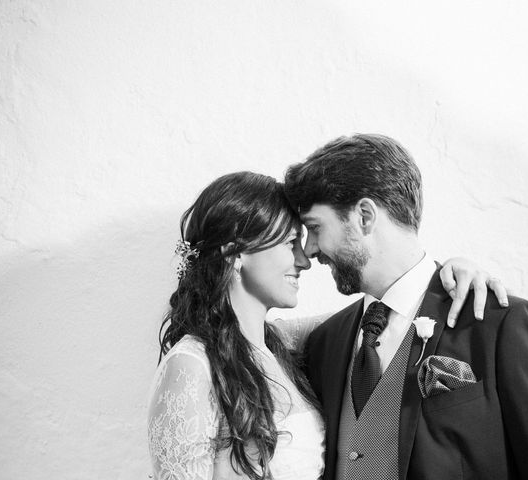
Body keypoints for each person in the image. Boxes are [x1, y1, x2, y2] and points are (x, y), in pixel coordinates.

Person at [147, 171, 507, 480]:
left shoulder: (284, 343)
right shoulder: (191, 365)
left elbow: (392, 308)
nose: (305, 260)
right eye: (291, 243)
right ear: (235, 254)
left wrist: (448, 273)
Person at [283, 134, 528, 480]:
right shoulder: (325, 341)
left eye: (314, 228)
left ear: (365, 217)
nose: (308, 252)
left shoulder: (498, 324)